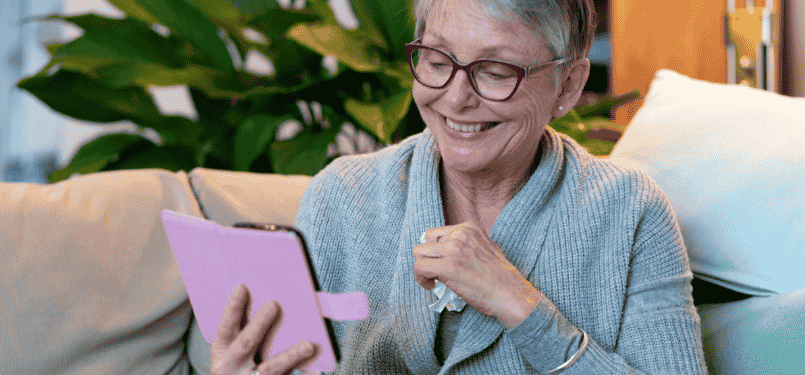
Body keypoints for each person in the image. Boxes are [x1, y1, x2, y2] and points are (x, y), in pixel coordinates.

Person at [208, 0, 708, 373]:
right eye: (437, 61)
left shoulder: (629, 211)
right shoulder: (342, 197)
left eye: (495, 71)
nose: (456, 98)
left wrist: (520, 304)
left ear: (569, 86)